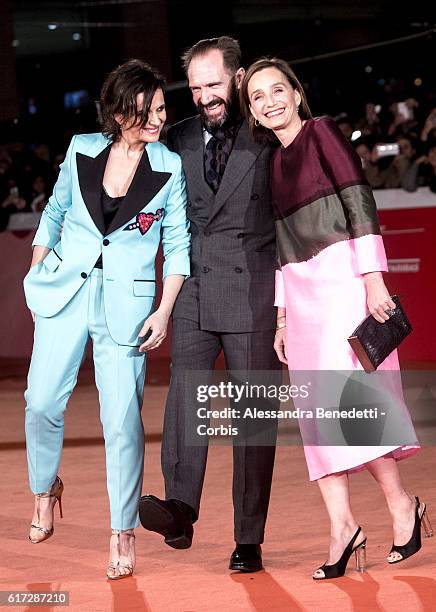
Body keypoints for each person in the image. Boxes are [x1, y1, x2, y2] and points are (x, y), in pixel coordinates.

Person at [240, 57, 432, 580]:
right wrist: (281, 315)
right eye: (258, 97)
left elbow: (358, 201)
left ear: (296, 94)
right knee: (319, 420)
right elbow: (281, 243)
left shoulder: (323, 132)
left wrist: (373, 278)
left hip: (345, 281)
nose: (270, 101)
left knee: (353, 409)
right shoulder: (270, 162)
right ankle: (343, 527)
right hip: (301, 299)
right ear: (253, 112)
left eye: (277, 90)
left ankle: (401, 506)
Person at [23, 59, 190, 580]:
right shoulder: (81, 149)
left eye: (162, 108)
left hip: (130, 309)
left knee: (121, 422)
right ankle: (45, 487)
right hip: (64, 292)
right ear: (120, 112)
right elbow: (55, 211)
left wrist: (163, 310)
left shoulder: (169, 167)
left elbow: (177, 243)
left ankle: (122, 531)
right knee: (41, 401)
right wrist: (37, 265)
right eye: (148, 111)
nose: (159, 119)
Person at [138, 37, 281, 573]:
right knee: (185, 401)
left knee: (252, 420)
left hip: (254, 293)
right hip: (194, 292)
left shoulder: (267, 139)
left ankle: (249, 537)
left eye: (213, 84)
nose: (204, 96)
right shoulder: (175, 140)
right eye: (195, 88)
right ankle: (180, 508)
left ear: (238, 78)